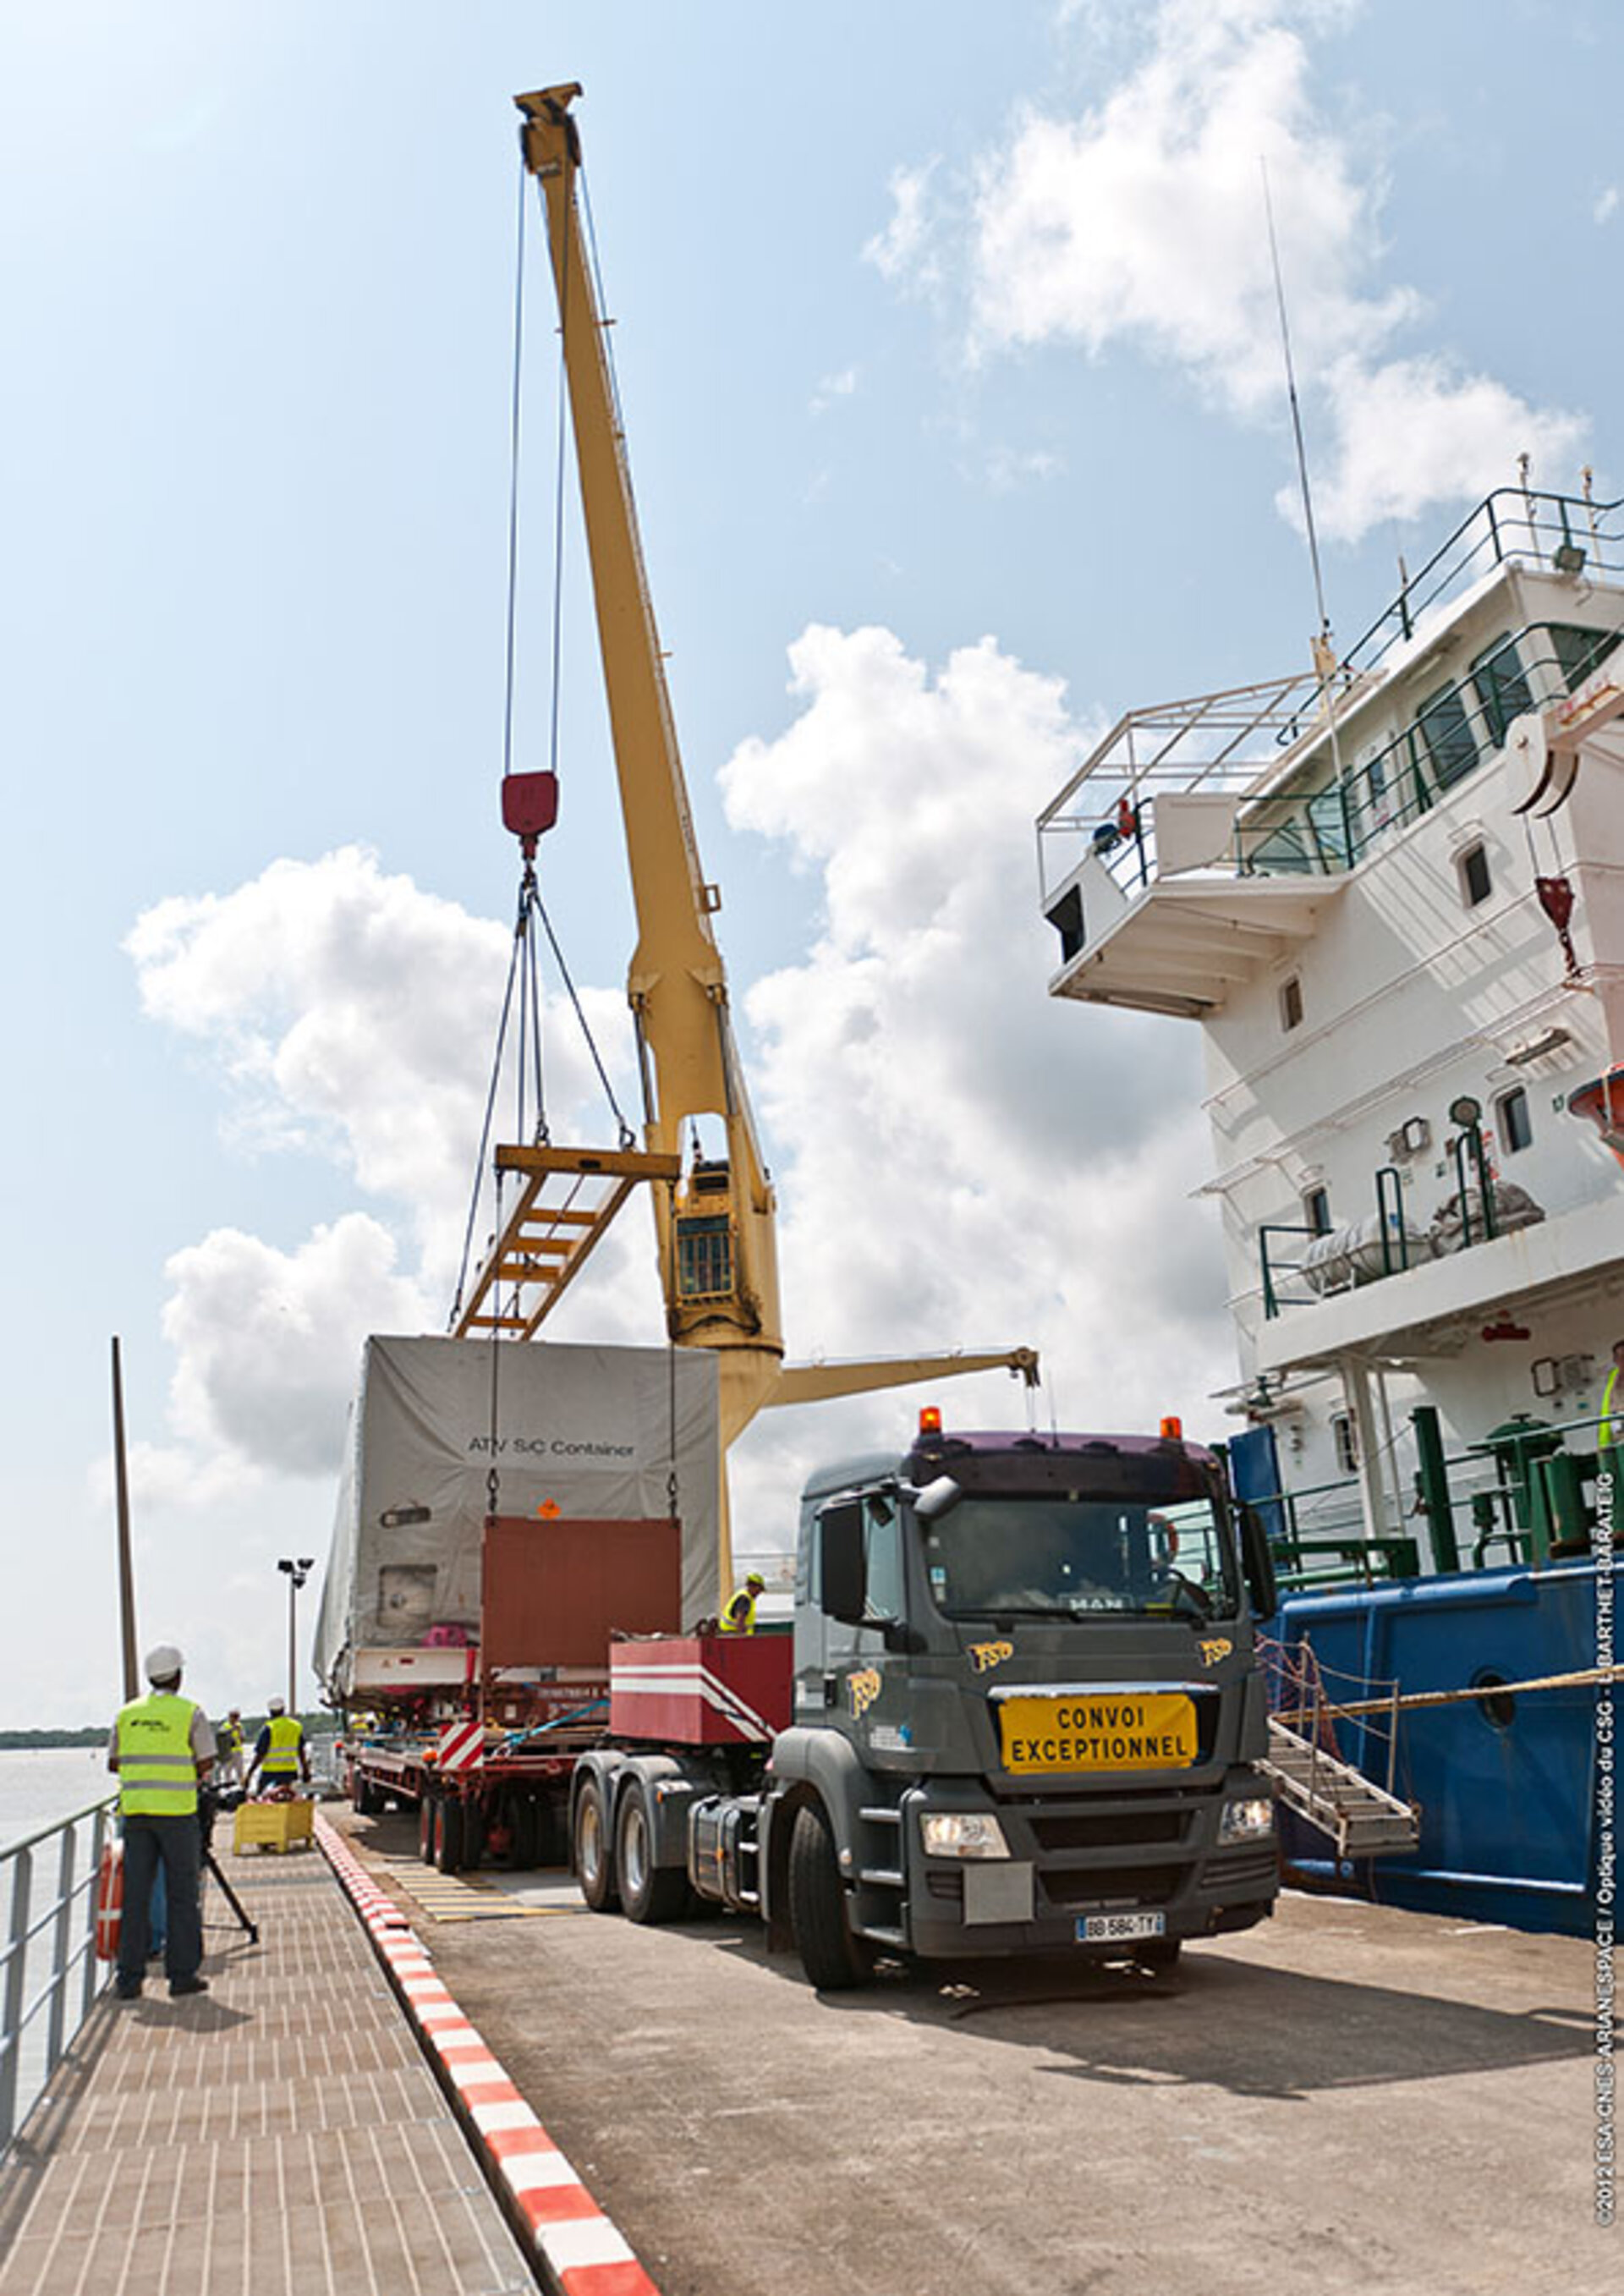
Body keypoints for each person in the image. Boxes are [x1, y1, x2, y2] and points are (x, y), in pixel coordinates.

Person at [107, 1643, 215, 2000]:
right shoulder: (190, 1713)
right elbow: (206, 1763)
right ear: (179, 1677)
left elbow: (114, 1763)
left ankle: (128, 1979)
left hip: (136, 1815)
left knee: (135, 1895)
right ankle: (181, 1976)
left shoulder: (126, 1713)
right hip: (178, 1815)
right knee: (182, 1895)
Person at [245, 1696, 311, 1795]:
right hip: (290, 1771)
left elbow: (260, 1753)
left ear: (270, 1711)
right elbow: (301, 1751)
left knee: (263, 1800)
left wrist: (249, 1773)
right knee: (287, 1799)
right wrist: (306, 1770)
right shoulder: (296, 1726)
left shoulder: (269, 1728)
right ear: (284, 1709)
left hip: (270, 1773)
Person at [718, 1571, 766, 1635]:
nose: (759, 1593)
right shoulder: (744, 1599)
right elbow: (739, 1622)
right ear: (751, 1586)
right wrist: (744, 1638)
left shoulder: (745, 1596)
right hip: (733, 1636)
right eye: (759, 1589)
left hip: (730, 1634)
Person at [215, 1709, 245, 1788]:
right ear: (230, 1717)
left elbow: (242, 1739)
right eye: (234, 1717)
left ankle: (242, 1788)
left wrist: (239, 1732)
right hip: (228, 1753)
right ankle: (228, 1788)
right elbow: (221, 1737)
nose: (235, 1719)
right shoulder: (225, 1726)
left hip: (238, 1752)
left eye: (237, 1717)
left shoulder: (240, 1727)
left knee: (240, 1772)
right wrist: (232, 1730)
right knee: (227, 1773)